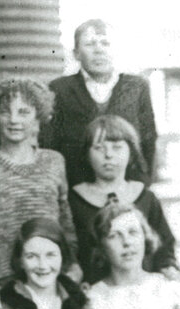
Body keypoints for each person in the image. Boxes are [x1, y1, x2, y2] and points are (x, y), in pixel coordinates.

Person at [0, 78, 78, 283]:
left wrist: (73, 264)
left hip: (49, 278)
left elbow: (65, 219)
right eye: (5, 111)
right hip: (0, 282)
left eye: (23, 112)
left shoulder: (54, 161)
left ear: (38, 117)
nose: (14, 120)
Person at [47, 19, 157, 187]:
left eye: (105, 43)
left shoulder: (137, 86)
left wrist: (143, 184)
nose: (98, 50)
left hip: (128, 185)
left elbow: (148, 138)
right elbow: (50, 143)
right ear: (76, 53)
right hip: (76, 188)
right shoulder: (59, 89)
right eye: (90, 44)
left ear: (116, 50)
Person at [70, 114, 178, 284]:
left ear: (131, 151)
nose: (108, 155)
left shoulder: (146, 198)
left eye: (117, 147)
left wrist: (169, 269)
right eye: (99, 148)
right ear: (86, 154)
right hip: (92, 292)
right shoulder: (74, 200)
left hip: (141, 289)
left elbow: (164, 248)